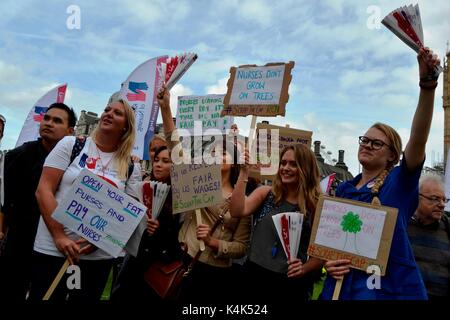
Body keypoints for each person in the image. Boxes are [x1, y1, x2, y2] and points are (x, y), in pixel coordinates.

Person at [322, 47, 441, 300]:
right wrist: (330, 263)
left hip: (384, 291)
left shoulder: (399, 183)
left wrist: (427, 86)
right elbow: (334, 244)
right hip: (343, 289)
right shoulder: (344, 190)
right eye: (365, 140)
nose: (367, 145)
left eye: (376, 143)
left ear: (392, 156)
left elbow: (418, 139)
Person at [28, 98, 141, 301]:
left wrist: (100, 238)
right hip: (53, 250)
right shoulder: (71, 144)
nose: (108, 113)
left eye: (117, 113)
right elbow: (44, 190)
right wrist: (59, 236)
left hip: (97, 258)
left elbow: (127, 215)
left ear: (126, 126)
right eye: (107, 109)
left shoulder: (132, 166)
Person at [157, 86, 251, 302]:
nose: (218, 155)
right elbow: (175, 146)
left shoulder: (240, 199)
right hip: (183, 258)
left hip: (215, 273)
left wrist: (213, 242)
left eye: (224, 152)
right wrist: (165, 108)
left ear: (235, 161)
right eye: (214, 152)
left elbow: (241, 246)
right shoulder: (197, 178)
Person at [0, 103, 76, 301]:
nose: (48, 123)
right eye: (47, 118)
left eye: (57, 120)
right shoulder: (17, 156)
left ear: (70, 131)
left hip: (55, 246)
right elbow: (5, 202)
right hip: (19, 243)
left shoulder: (77, 162)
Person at [229, 144, 324, 302]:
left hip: (288, 286)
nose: (285, 168)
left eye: (293, 164)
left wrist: (304, 268)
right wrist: (243, 173)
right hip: (253, 277)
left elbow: (320, 255)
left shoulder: (315, 207)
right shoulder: (266, 193)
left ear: (306, 169)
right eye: (283, 163)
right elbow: (237, 211)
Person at [111, 144, 183, 301]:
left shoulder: (181, 198)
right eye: (156, 160)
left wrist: (159, 231)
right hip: (134, 262)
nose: (158, 164)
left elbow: (179, 240)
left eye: (166, 161)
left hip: (157, 268)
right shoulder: (142, 187)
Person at [408, 175, 450, 299]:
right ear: (417, 197)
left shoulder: (447, 227)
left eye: (444, 200)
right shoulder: (401, 226)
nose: (442, 205)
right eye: (434, 199)